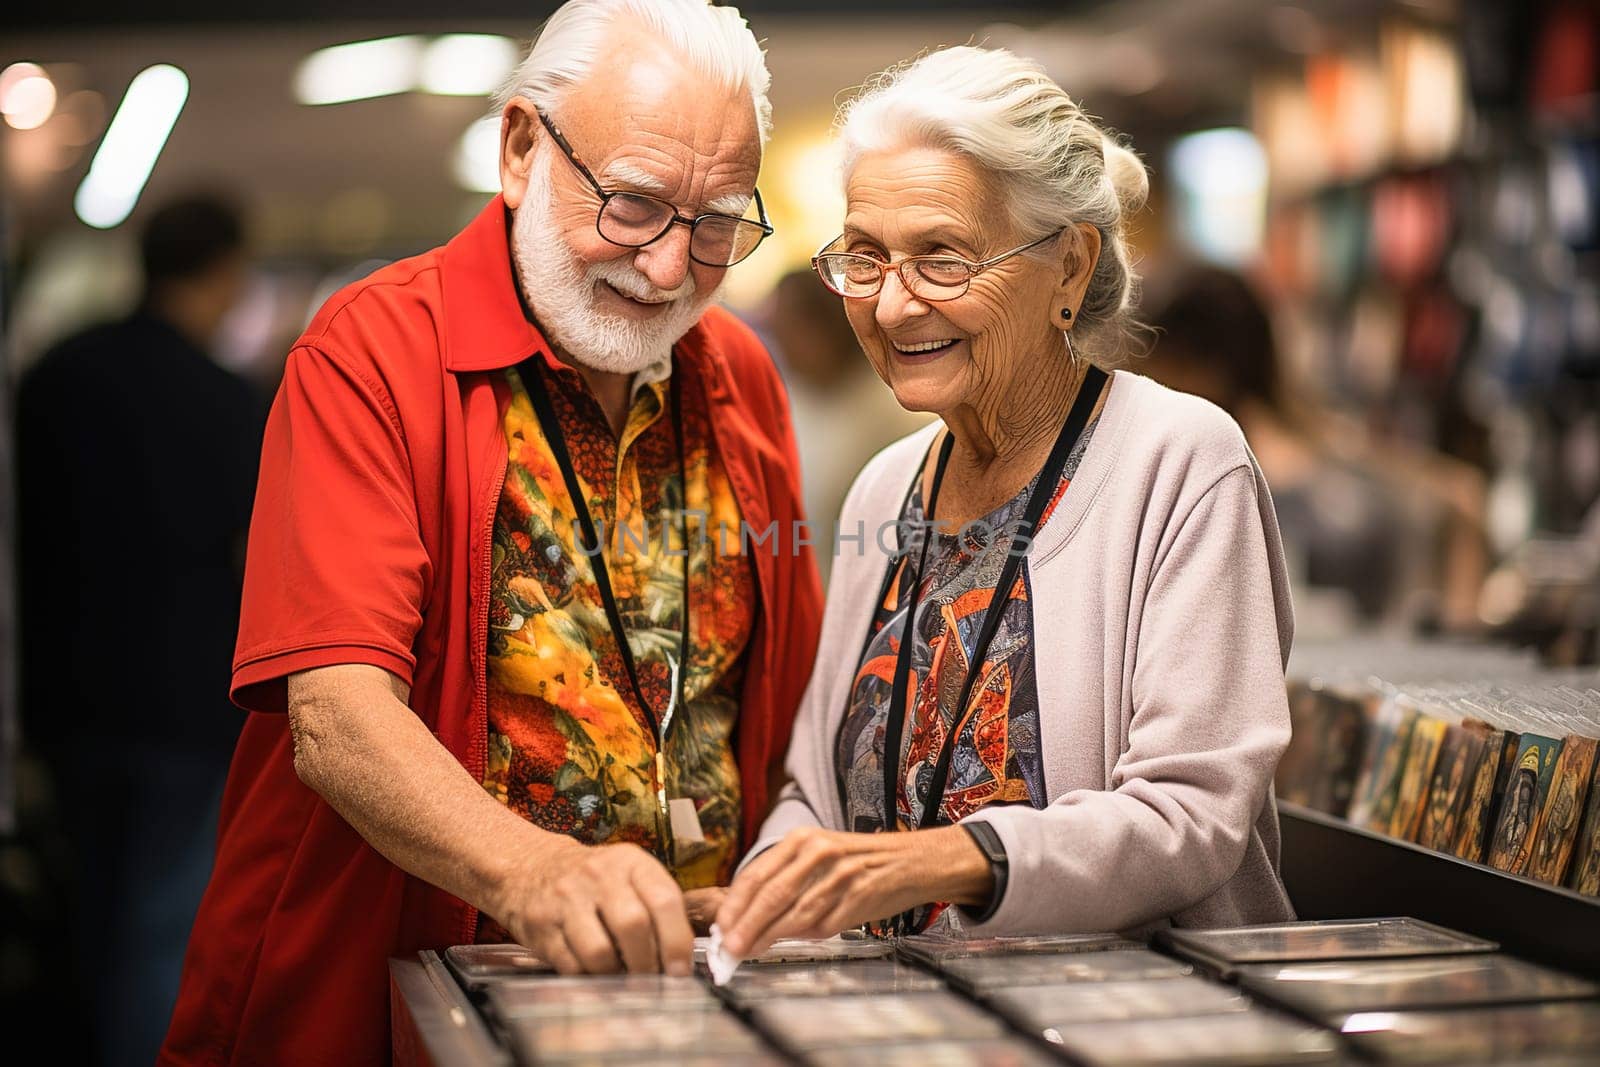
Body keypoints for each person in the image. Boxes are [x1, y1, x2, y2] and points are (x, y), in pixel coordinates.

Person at [160, 2, 822, 1063]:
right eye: (634, 205)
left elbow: (780, 680)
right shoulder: (372, 350)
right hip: (416, 988)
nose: (665, 270)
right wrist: (538, 871)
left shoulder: (737, 371)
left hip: (685, 1001)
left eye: (714, 226)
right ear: (522, 150)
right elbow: (334, 712)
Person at [715, 46, 1297, 957]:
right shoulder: (887, 487)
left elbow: (1189, 815)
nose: (895, 305)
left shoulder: (1181, 462)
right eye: (865, 259)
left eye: (941, 258)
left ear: (1069, 268)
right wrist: (750, 906)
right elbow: (817, 798)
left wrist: (945, 861)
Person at [17, 194, 264, 1067]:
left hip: (69, 694)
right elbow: (253, 560)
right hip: (185, 701)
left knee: (86, 912)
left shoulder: (57, 375)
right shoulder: (228, 400)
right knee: (162, 923)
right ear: (224, 272)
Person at [768, 268, 932, 584]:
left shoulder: (894, 412)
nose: (784, 345)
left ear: (830, 327)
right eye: (777, 332)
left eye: (794, 330)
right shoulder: (788, 400)